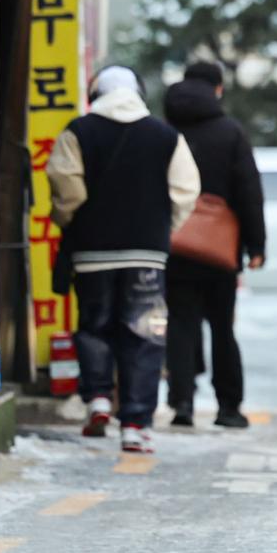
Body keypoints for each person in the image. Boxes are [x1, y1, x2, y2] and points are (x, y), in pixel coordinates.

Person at [47, 65, 201, 455]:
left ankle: (98, 399)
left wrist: (72, 222)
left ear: (96, 93)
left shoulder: (77, 131)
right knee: (144, 336)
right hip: (147, 253)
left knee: (95, 326)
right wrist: (161, 228)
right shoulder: (166, 135)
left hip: (92, 251)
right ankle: (135, 423)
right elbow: (185, 190)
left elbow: (68, 190)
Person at [162, 61, 267, 429]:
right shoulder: (230, 132)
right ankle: (228, 408)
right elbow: (248, 191)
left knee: (180, 322)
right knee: (223, 327)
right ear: (217, 89)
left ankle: (182, 404)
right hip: (220, 247)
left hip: (173, 241)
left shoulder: (165, 129)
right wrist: (256, 245)